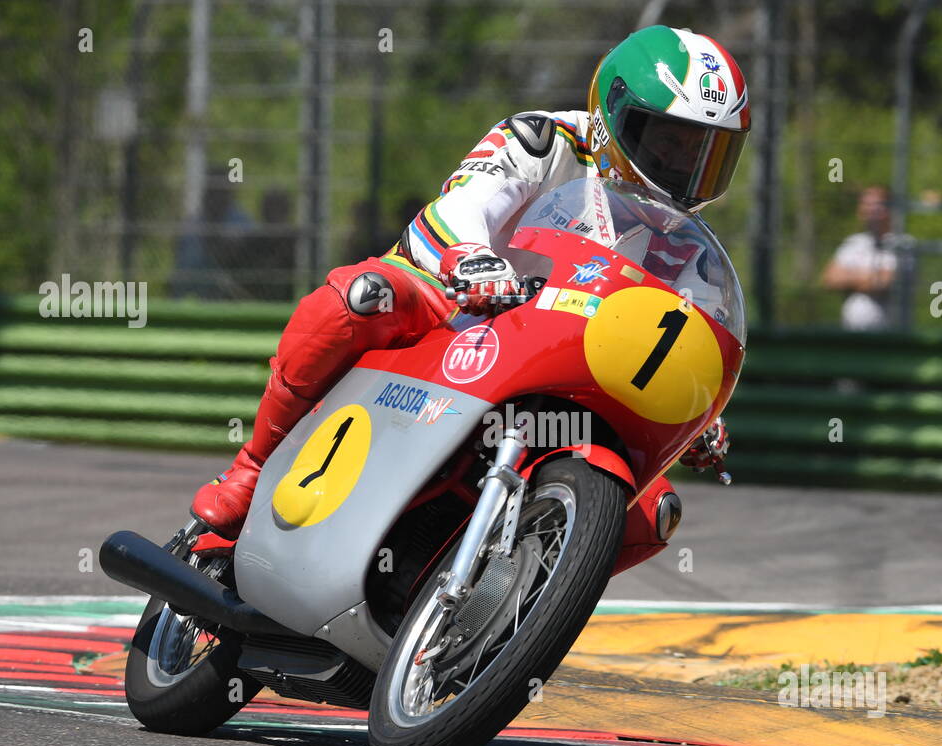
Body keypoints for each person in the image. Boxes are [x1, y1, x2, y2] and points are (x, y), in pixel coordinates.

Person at [191, 25, 750, 538]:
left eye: (704, 150)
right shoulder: (543, 141)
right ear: (615, 114)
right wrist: (474, 258)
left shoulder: (681, 241)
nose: (684, 164)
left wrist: (699, 405)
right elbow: (464, 204)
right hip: (458, 309)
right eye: (670, 140)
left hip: (561, 360)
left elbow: (671, 329)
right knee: (359, 299)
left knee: (655, 514)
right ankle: (253, 468)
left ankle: (503, 617)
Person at [821, 184, 898, 331]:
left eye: (876, 205)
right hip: (852, 338)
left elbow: (884, 282)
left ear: (889, 209)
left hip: (889, 339)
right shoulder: (853, 243)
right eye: (865, 205)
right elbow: (829, 278)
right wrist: (867, 277)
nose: (869, 210)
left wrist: (849, 276)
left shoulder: (902, 244)